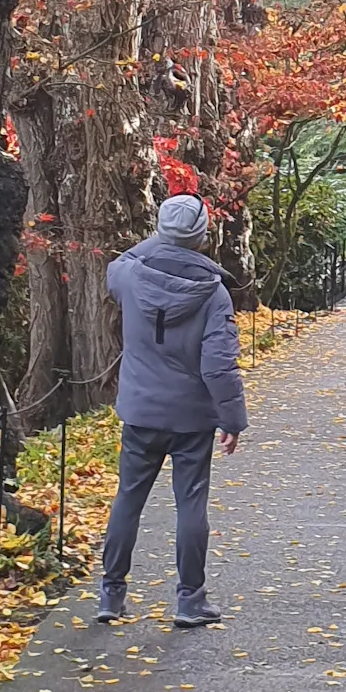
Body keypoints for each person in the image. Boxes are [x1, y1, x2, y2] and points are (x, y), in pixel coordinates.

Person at [98, 194, 247, 628]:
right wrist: (232, 419)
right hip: (191, 418)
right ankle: (189, 600)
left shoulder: (128, 276)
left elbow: (122, 259)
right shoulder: (213, 293)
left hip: (141, 410)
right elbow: (218, 364)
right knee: (191, 505)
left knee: (128, 498)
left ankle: (111, 594)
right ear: (202, 237)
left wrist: (161, 241)